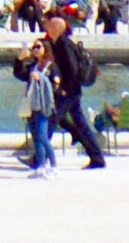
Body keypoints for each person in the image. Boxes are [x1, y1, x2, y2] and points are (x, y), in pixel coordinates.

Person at [41, 13, 106, 168]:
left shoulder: (64, 44)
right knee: (80, 125)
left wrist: (64, 89)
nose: (47, 28)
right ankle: (97, 158)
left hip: (68, 93)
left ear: (56, 28)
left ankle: (39, 157)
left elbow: (72, 69)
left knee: (49, 122)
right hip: (72, 92)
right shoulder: (59, 43)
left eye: (50, 26)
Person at [18, 38, 57, 178]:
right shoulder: (32, 65)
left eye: (38, 47)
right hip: (32, 105)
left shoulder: (51, 66)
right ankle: (40, 166)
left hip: (44, 105)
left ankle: (53, 166)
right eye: (33, 47)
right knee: (36, 138)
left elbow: (55, 85)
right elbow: (19, 75)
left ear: (45, 48)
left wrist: (41, 78)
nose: (35, 49)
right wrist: (20, 60)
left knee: (43, 136)